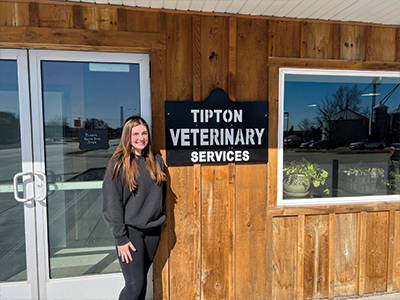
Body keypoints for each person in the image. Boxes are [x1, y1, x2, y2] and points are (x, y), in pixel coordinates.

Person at [102, 116, 166, 300]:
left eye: (144, 133)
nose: (141, 137)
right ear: (127, 137)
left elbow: (162, 195)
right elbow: (111, 204)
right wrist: (120, 237)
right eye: (135, 133)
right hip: (131, 234)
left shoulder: (157, 161)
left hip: (153, 231)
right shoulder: (118, 164)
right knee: (134, 284)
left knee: (141, 281)